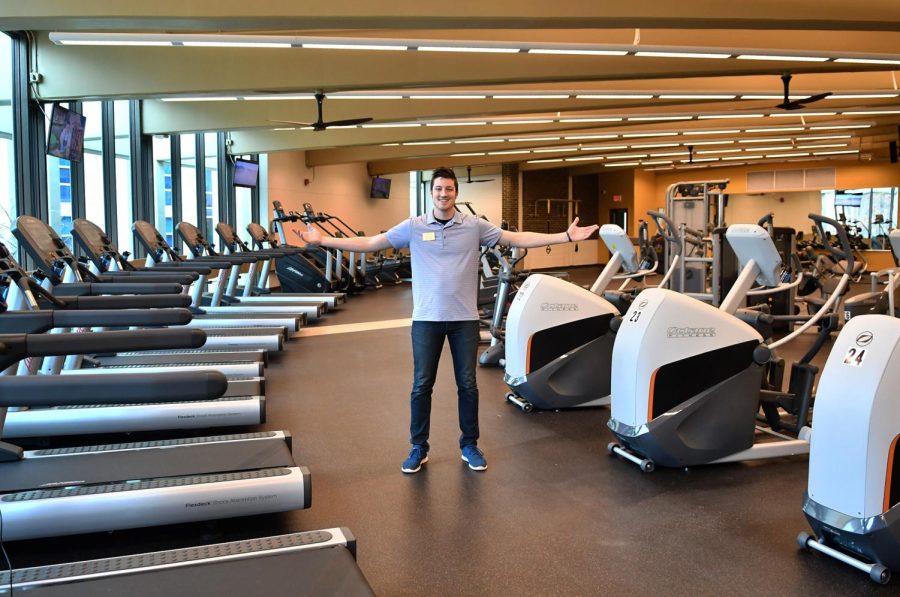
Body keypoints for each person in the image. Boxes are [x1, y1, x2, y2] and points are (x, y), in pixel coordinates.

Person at [298, 167, 599, 474]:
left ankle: (469, 444)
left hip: (464, 320)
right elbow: (373, 243)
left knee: (467, 385)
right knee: (421, 386)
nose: (444, 194)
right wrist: (323, 239)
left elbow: (516, 237)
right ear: (432, 193)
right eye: (439, 189)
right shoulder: (413, 227)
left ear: (456, 193)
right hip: (426, 320)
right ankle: (418, 447)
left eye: (449, 189)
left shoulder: (473, 226)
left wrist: (565, 236)